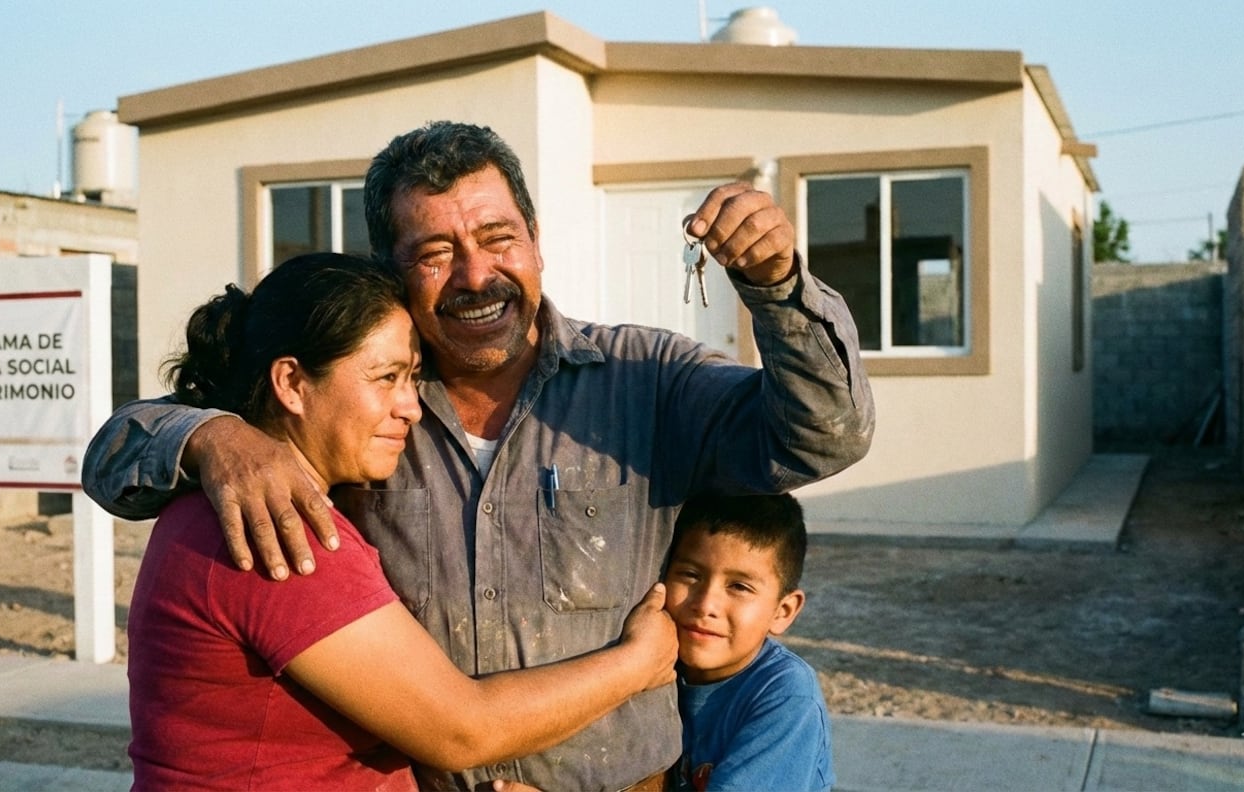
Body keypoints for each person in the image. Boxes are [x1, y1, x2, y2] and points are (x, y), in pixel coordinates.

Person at [85, 121, 874, 791]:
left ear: (535, 241)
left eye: (498, 238)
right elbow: (110, 464)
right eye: (434, 252)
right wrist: (207, 435)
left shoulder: (649, 380)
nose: (475, 274)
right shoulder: (365, 408)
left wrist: (778, 285)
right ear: (390, 271)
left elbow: (822, 436)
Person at [126, 252, 677, 790]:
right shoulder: (274, 528)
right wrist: (638, 662)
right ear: (292, 383)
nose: (410, 407)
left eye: (412, 377)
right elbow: (463, 730)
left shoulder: (226, 504)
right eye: (385, 377)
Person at [662, 493, 833, 792]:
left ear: (783, 612)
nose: (705, 605)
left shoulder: (786, 695)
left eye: (739, 586)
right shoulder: (654, 663)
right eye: (690, 575)